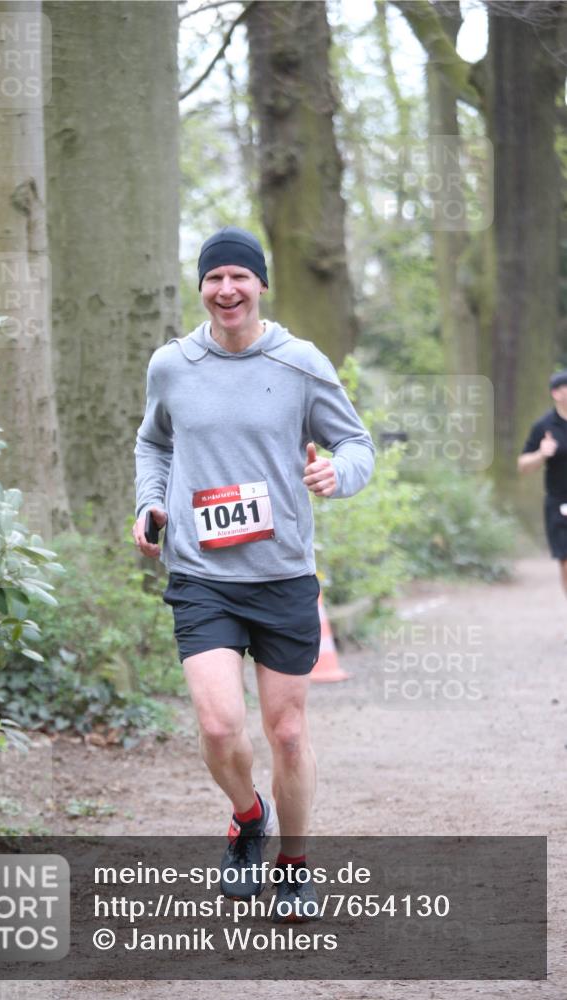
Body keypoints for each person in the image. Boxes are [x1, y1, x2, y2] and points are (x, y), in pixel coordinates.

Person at [133, 226, 375, 921]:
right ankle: (247, 817)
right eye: (214, 278)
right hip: (201, 574)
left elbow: (355, 442)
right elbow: (152, 442)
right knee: (216, 727)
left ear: (260, 285)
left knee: (288, 733)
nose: (226, 289)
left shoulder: (299, 363)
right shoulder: (172, 365)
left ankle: (294, 865)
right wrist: (150, 503)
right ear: (201, 287)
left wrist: (338, 472)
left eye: (240, 276)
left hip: (280, 576)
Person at [518, 370, 567, 600]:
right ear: (556, 393)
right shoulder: (544, 426)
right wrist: (541, 454)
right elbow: (523, 465)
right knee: (566, 561)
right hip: (560, 503)